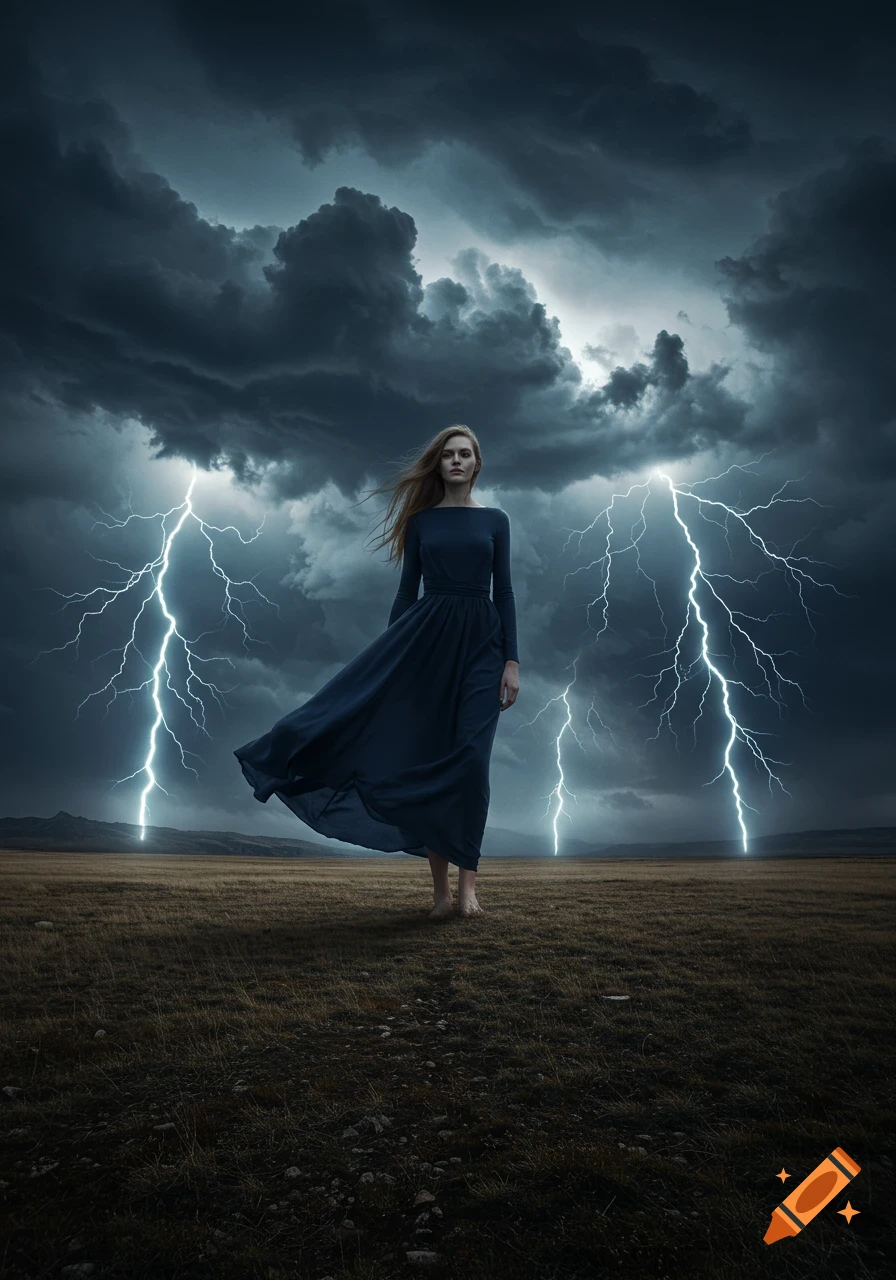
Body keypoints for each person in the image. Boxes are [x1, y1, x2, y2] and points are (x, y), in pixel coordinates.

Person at [233, 424, 520, 919]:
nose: (456, 461)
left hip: (481, 648)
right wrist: (392, 661)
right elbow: (407, 593)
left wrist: (512, 661)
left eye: (465, 454)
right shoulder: (422, 523)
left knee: (470, 764)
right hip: (426, 643)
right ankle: (441, 894)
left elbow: (506, 593)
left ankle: (470, 886)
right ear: (439, 463)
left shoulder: (496, 521)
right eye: (448, 454)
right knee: (429, 758)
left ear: (477, 464)